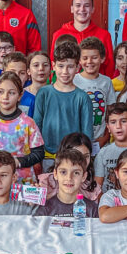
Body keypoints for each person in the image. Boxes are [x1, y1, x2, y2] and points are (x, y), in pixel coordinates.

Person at [34, 41, 93, 170]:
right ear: (54, 66)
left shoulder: (83, 98)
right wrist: (36, 156)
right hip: (47, 156)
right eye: (61, 66)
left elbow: (87, 134)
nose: (65, 71)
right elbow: (36, 127)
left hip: (74, 157)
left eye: (70, 67)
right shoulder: (44, 93)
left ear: (78, 67)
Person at [0, 72, 45, 181]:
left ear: (20, 95)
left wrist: (18, 162)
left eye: (11, 93)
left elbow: (38, 153)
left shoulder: (28, 123)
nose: (5, 97)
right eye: (1, 92)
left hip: (23, 181)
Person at [51, 0, 115, 77]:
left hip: (96, 88)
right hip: (67, 87)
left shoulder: (104, 35)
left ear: (93, 9)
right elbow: (53, 67)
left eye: (87, 5)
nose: (82, 9)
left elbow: (109, 67)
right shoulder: (59, 34)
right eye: (78, 5)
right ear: (72, 9)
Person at [75, 36, 116, 148]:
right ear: (79, 60)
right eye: (85, 58)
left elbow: (111, 112)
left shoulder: (106, 82)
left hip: (100, 139)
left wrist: (106, 137)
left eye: (94, 57)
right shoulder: (74, 81)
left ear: (102, 58)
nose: (89, 62)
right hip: (78, 140)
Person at [36, 148, 99, 218]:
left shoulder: (92, 210)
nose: (69, 178)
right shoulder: (45, 210)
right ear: (55, 174)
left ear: (84, 176)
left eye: (76, 173)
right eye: (63, 172)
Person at [39, 133, 101, 202]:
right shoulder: (46, 183)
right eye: (76, 156)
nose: (82, 161)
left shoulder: (92, 187)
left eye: (86, 156)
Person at [95, 103, 127, 190]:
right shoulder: (103, 153)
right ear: (108, 127)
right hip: (108, 201)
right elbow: (97, 188)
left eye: (123, 121)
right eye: (113, 122)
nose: (118, 126)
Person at [0, 52, 36, 118]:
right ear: (3, 73)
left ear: (27, 75)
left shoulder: (32, 100)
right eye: (12, 72)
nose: (17, 76)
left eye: (22, 73)